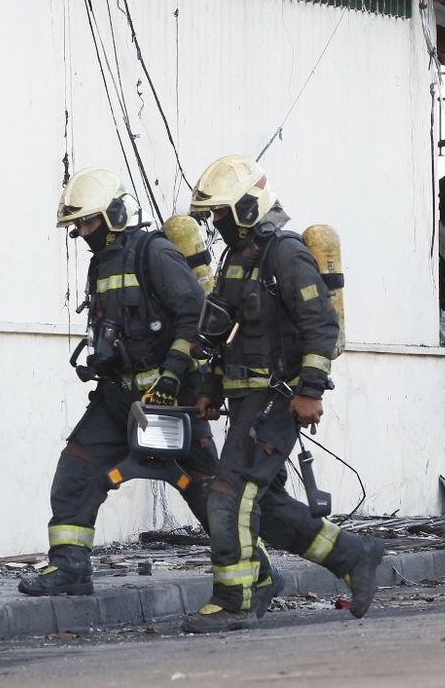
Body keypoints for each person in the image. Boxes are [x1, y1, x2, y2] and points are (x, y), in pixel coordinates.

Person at [20, 167, 280, 605]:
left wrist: (172, 375)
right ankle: (69, 567)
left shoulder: (153, 252)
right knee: (77, 468)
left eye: (89, 221)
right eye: (78, 225)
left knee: (206, 488)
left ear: (116, 214)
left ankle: (257, 570)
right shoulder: (101, 263)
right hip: (118, 398)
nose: (83, 233)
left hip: (170, 400)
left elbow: (195, 316)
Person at [182, 154, 386, 633]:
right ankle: (354, 555)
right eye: (212, 215)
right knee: (267, 508)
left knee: (228, 495)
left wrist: (310, 391)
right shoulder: (237, 258)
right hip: (245, 402)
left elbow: (321, 325)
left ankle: (234, 600)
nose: (217, 222)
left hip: (276, 399)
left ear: (247, 207)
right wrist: (211, 387)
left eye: (221, 212)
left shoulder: (286, 255)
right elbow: (225, 332)